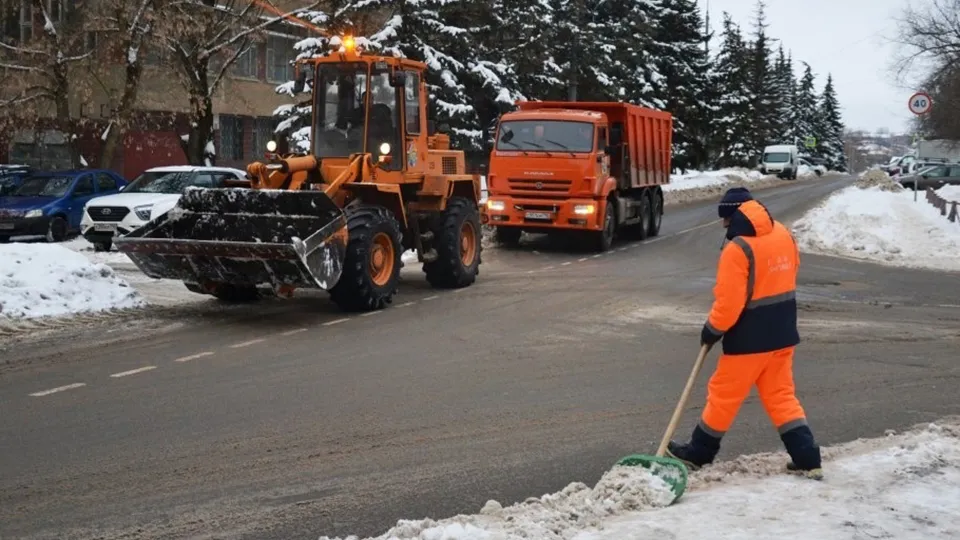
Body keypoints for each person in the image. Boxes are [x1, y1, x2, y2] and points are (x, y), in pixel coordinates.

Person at [666, 187, 823, 480]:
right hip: (783, 332)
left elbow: (729, 303)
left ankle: (699, 453)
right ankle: (807, 456)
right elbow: (790, 273)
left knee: (723, 395)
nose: (724, 226)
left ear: (733, 216)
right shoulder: (784, 235)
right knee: (781, 396)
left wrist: (712, 330)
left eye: (724, 220)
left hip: (750, 339)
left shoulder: (738, 250)